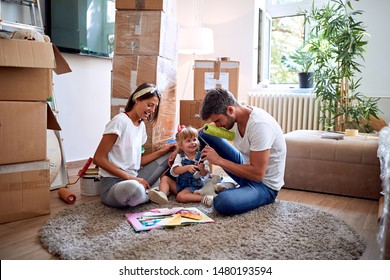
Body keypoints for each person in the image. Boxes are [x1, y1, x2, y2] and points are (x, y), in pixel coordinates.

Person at [198, 88, 286, 215]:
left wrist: (219, 161)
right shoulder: (233, 118)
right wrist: (179, 144)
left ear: (230, 110)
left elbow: (257, 174)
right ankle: (199, 179)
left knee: (222, 202)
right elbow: (201, 132)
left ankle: (237, 191)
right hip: (246, 169)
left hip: (264, 185)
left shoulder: (260, 125)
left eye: (217, 120)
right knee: (203, 134)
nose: (217, 125)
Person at [93, 83, 176, 208]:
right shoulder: (120, 121)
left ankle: (148, 192)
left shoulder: (141, 126)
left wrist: (164, 151)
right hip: (115, 184)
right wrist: (130, 178)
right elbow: (98, 158)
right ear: (137, 99)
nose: (152, 110)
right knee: (134, 188)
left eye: (155, 107)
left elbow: (139, 161)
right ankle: (150, 193)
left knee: (170, 155)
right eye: (150, 105)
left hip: (136, 177)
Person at [148, 126, 212, 205]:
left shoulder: (201, 157)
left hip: (194, 186)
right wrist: (186, 167)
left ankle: (204, 198)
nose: (192, 143)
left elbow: (205, 174)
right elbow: (175, 170)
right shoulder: (179, 156)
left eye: (194, 140)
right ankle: (162, 195)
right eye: (188, 141)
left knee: (180, 197)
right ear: (181, 146)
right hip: (180, 185)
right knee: (165, 178)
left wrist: (202, 169)